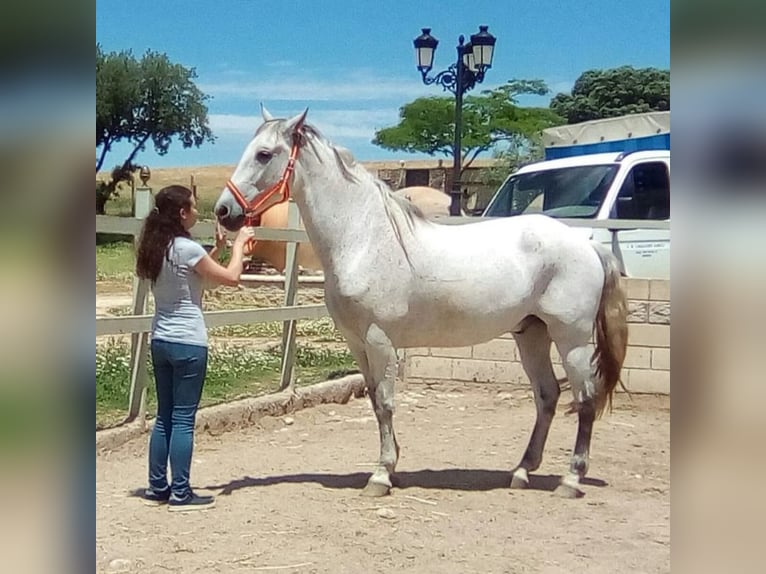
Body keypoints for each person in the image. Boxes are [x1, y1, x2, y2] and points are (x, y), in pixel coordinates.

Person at [135, 184, 254, 511]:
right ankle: (182, 492)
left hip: (161, 339)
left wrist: (217, 250)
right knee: (184, 419)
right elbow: (230, 279)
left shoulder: (157, 246)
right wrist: (240, 246)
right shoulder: (187, 248)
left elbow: (194, 278)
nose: (198, 212)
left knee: (165, 418)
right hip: (188, 342)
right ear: (182, 213)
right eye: (193, 207)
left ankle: (157, 487)